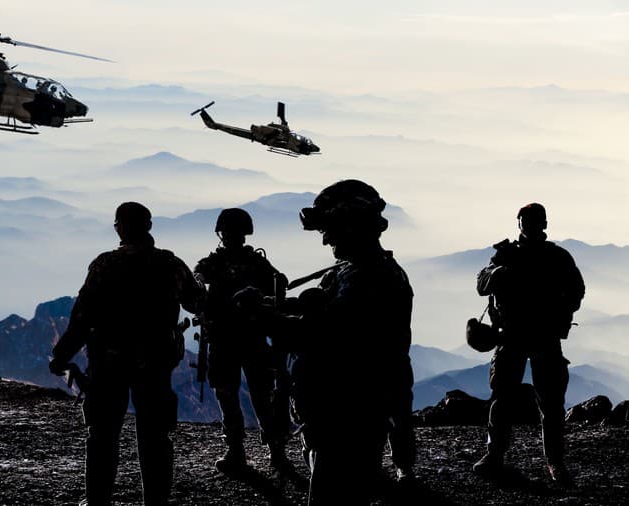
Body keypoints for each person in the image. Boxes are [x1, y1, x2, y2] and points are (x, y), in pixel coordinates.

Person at [234, 180, 415, 504]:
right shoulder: (351, 272)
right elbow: (315, 307)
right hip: (333, 417)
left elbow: (317, 334)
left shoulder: (370, 280)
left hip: (348, 420)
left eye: (330, 228)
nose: (325, 238)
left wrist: (261, 317)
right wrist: (267, 305)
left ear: (353, 227)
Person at [49, 202, 203, 506]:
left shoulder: (105, 265)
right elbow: (198, 303)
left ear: (120, 227)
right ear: (149, 226)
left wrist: (61, 355)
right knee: (156, 437)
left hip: (109, 364)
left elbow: (82, 317)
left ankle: (98, 501)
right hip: (156, 363)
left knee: (103, 436)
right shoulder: (170, 265)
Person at [472, 203, 584, 486]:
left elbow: (576, 291)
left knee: (551, 401)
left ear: (543, 224)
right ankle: (496, 456)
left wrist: (558, 309)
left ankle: (554, 462)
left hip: (543, 336)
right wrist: (499, 273)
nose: (531, 225)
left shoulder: (557, 257)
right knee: (504, 398)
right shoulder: (507, 254)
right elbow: (482, 284)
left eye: (535, 221)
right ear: (519, 223)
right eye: (527, 220)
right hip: (512, 335)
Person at [193, 208, 290, 474]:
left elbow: (197, 281)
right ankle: (274, 452)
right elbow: (278, 285)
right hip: (250, 339)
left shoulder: (217, 263)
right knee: (260, 397)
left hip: (228, 340)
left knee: (231, 395)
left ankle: (238, 451)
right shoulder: (256, 263)